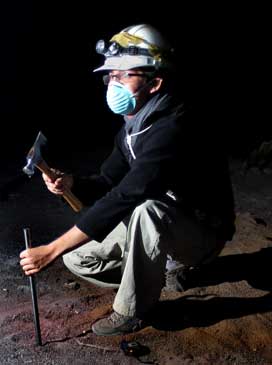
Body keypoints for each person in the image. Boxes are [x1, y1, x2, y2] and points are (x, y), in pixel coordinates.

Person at [19, 24, 235, 336]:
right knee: (78, 259)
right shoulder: (134, 125)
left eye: (124, 75)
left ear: (155, 82)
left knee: (146, 211)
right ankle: (155, 273)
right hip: (164, 221)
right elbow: (108, 180)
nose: (112, 83)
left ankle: (133, 309)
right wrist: (71, 184)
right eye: (111, 76)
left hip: (201, 232)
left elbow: (126, 196)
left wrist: (50, 249)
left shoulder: (174, 128)